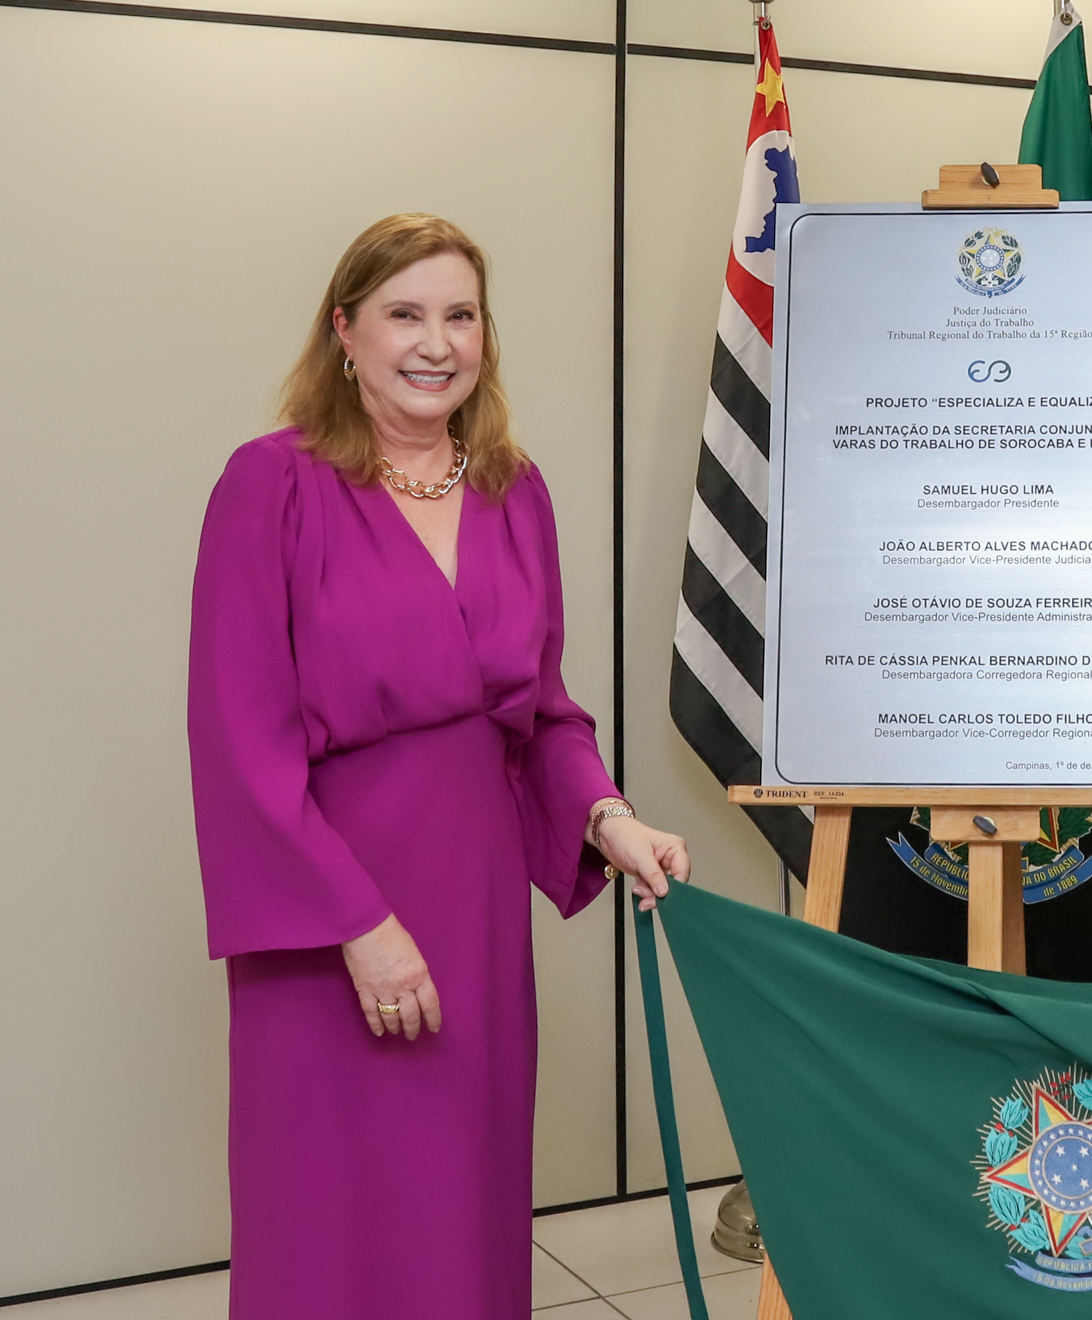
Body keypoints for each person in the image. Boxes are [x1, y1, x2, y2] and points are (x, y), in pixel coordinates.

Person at [188, 213, 684, 1319]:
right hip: (325, 916)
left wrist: (610, 819)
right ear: (345, 332)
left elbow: (543, 716)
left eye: (460, 314)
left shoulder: (518, 490)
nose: (435, 342)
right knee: (325, 1204)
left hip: (471, 910)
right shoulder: (271, 485)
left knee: (462, 1201)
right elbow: (239, 740)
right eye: (404, 313)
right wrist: (358, 926)